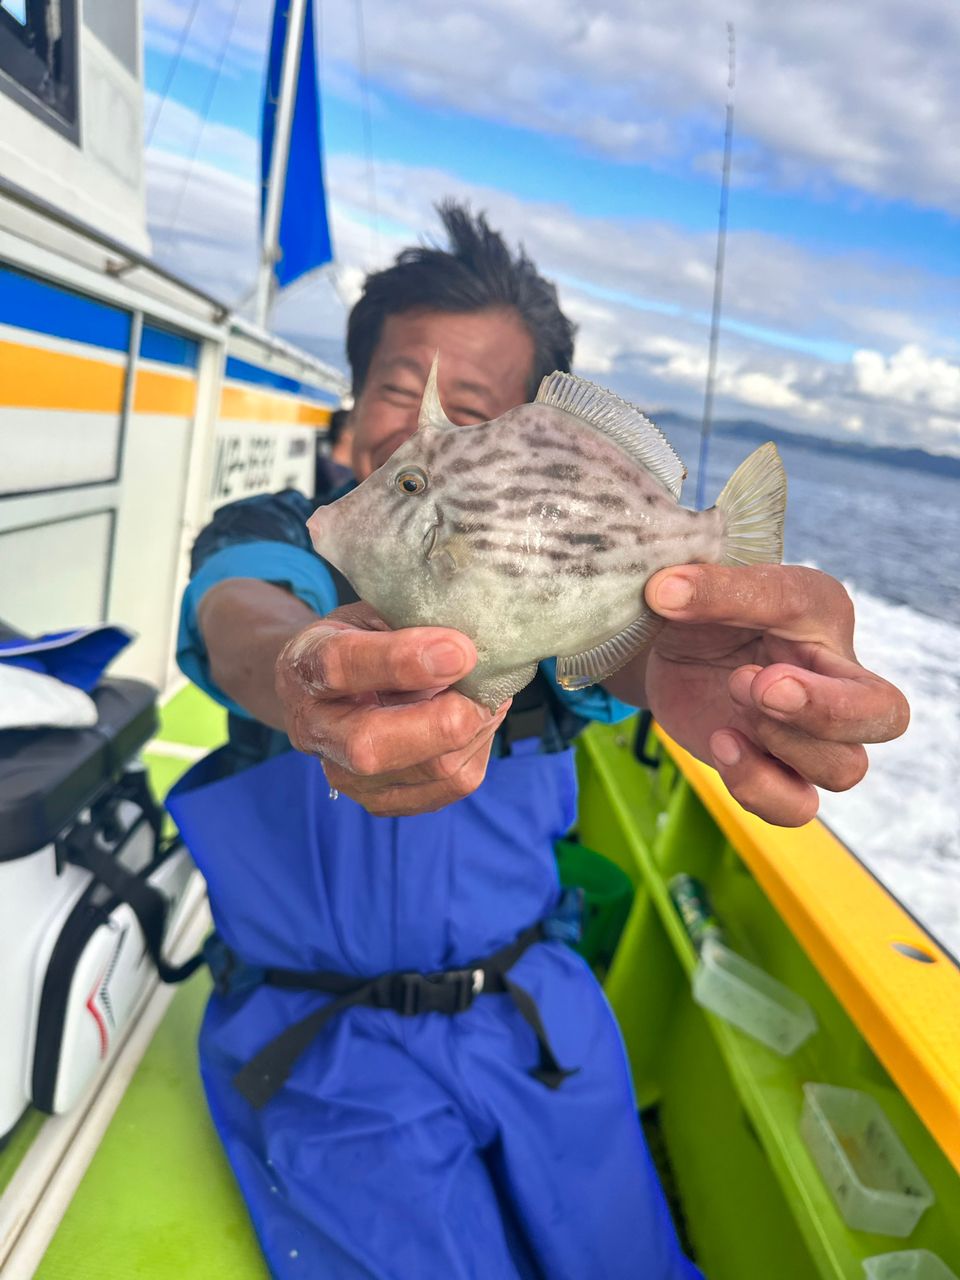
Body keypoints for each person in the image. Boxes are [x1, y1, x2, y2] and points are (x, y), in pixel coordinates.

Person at [170, 202, 909, 1280]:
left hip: (537, 1014)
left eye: (464, 408)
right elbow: (241, 615)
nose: (414, 429)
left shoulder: (541, 588)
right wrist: (302, 674)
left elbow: (615, 649)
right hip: (317, 1040)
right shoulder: (275, 533)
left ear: (525, 435)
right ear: (353, 396)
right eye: (394, 388)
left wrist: (700, 654)